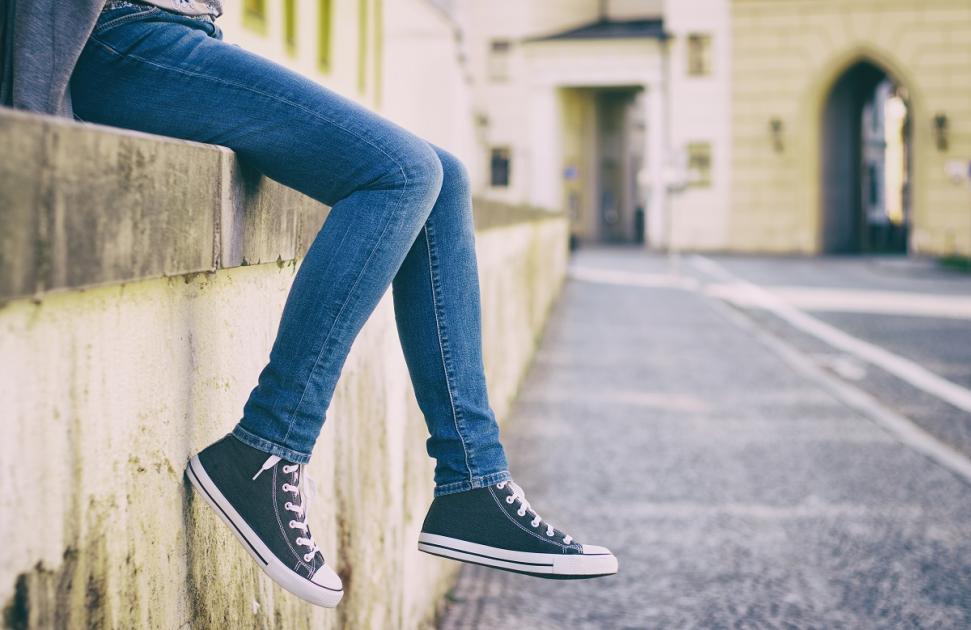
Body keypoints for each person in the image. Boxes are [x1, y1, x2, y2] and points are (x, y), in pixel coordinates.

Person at [2, 0, 618, 608]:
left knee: (445, 175)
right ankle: (267, 445)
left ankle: (471, 481)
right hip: (122, 44)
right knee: (401, 174)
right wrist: (32, 109)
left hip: (184, 36)